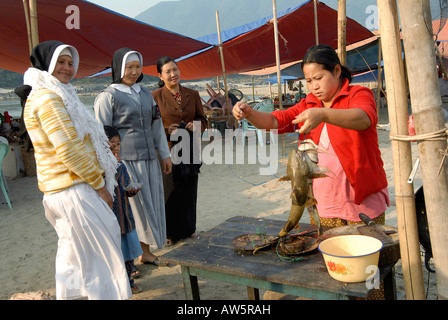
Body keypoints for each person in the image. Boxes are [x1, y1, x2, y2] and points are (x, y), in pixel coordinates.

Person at [233, 45, 389, 299]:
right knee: (335, 270)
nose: (313, 86)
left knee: (368, 273)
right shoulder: (308, 104)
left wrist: (324, 114)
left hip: (363, 201)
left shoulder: (357, 94)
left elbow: (365, 118)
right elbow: (274, 121)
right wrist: (249, 113)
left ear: (337, 70)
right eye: (308, 80)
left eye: (319, 78)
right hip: (325, 204)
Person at [18, 40, 131, 300]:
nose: (67, 68)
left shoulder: (53, 94)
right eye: (60, 62)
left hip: (61, 190)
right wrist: (100, 186)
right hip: (73, 189)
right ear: (46, 64)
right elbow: (69, 150)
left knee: (74, 257)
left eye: (70, 63)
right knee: (104, 257)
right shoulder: (48, 99)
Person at [94, 48, 172, 266]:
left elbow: (156, 125)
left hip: (148, 159)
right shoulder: (107, 96)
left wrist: (164, 155)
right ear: (119, 67)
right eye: (129, 67)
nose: (133, 71)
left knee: (149, 206)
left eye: (137, 67)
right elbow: (102, 134)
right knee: (130, 210)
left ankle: (145, 252)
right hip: (125, 162)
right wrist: (110, 164)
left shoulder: (145, 93)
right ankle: (127, 258)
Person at [152, 56, 207, 245]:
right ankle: (169, 233)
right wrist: (168, 130)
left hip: (190, 149)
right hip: (168, 151)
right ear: (160, 75)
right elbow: (152, 126)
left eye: (175, 69)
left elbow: (203, 119)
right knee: (170, 191)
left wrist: (196, 125)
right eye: (168, 71)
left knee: (190, 189)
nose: (173, 74)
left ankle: (189, 229)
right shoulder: (155, 97)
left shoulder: (192, 94)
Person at [104, 125, 143, 294]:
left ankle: (129, 281)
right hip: (109, 220)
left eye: (117, 144)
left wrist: (132, 191)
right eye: (111, 144)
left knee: (128, 254)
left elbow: (127, 187)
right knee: (113, 256)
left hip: (125, 218)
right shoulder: (97, 169)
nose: (115, 147)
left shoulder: (122, 165)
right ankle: (117, 286)